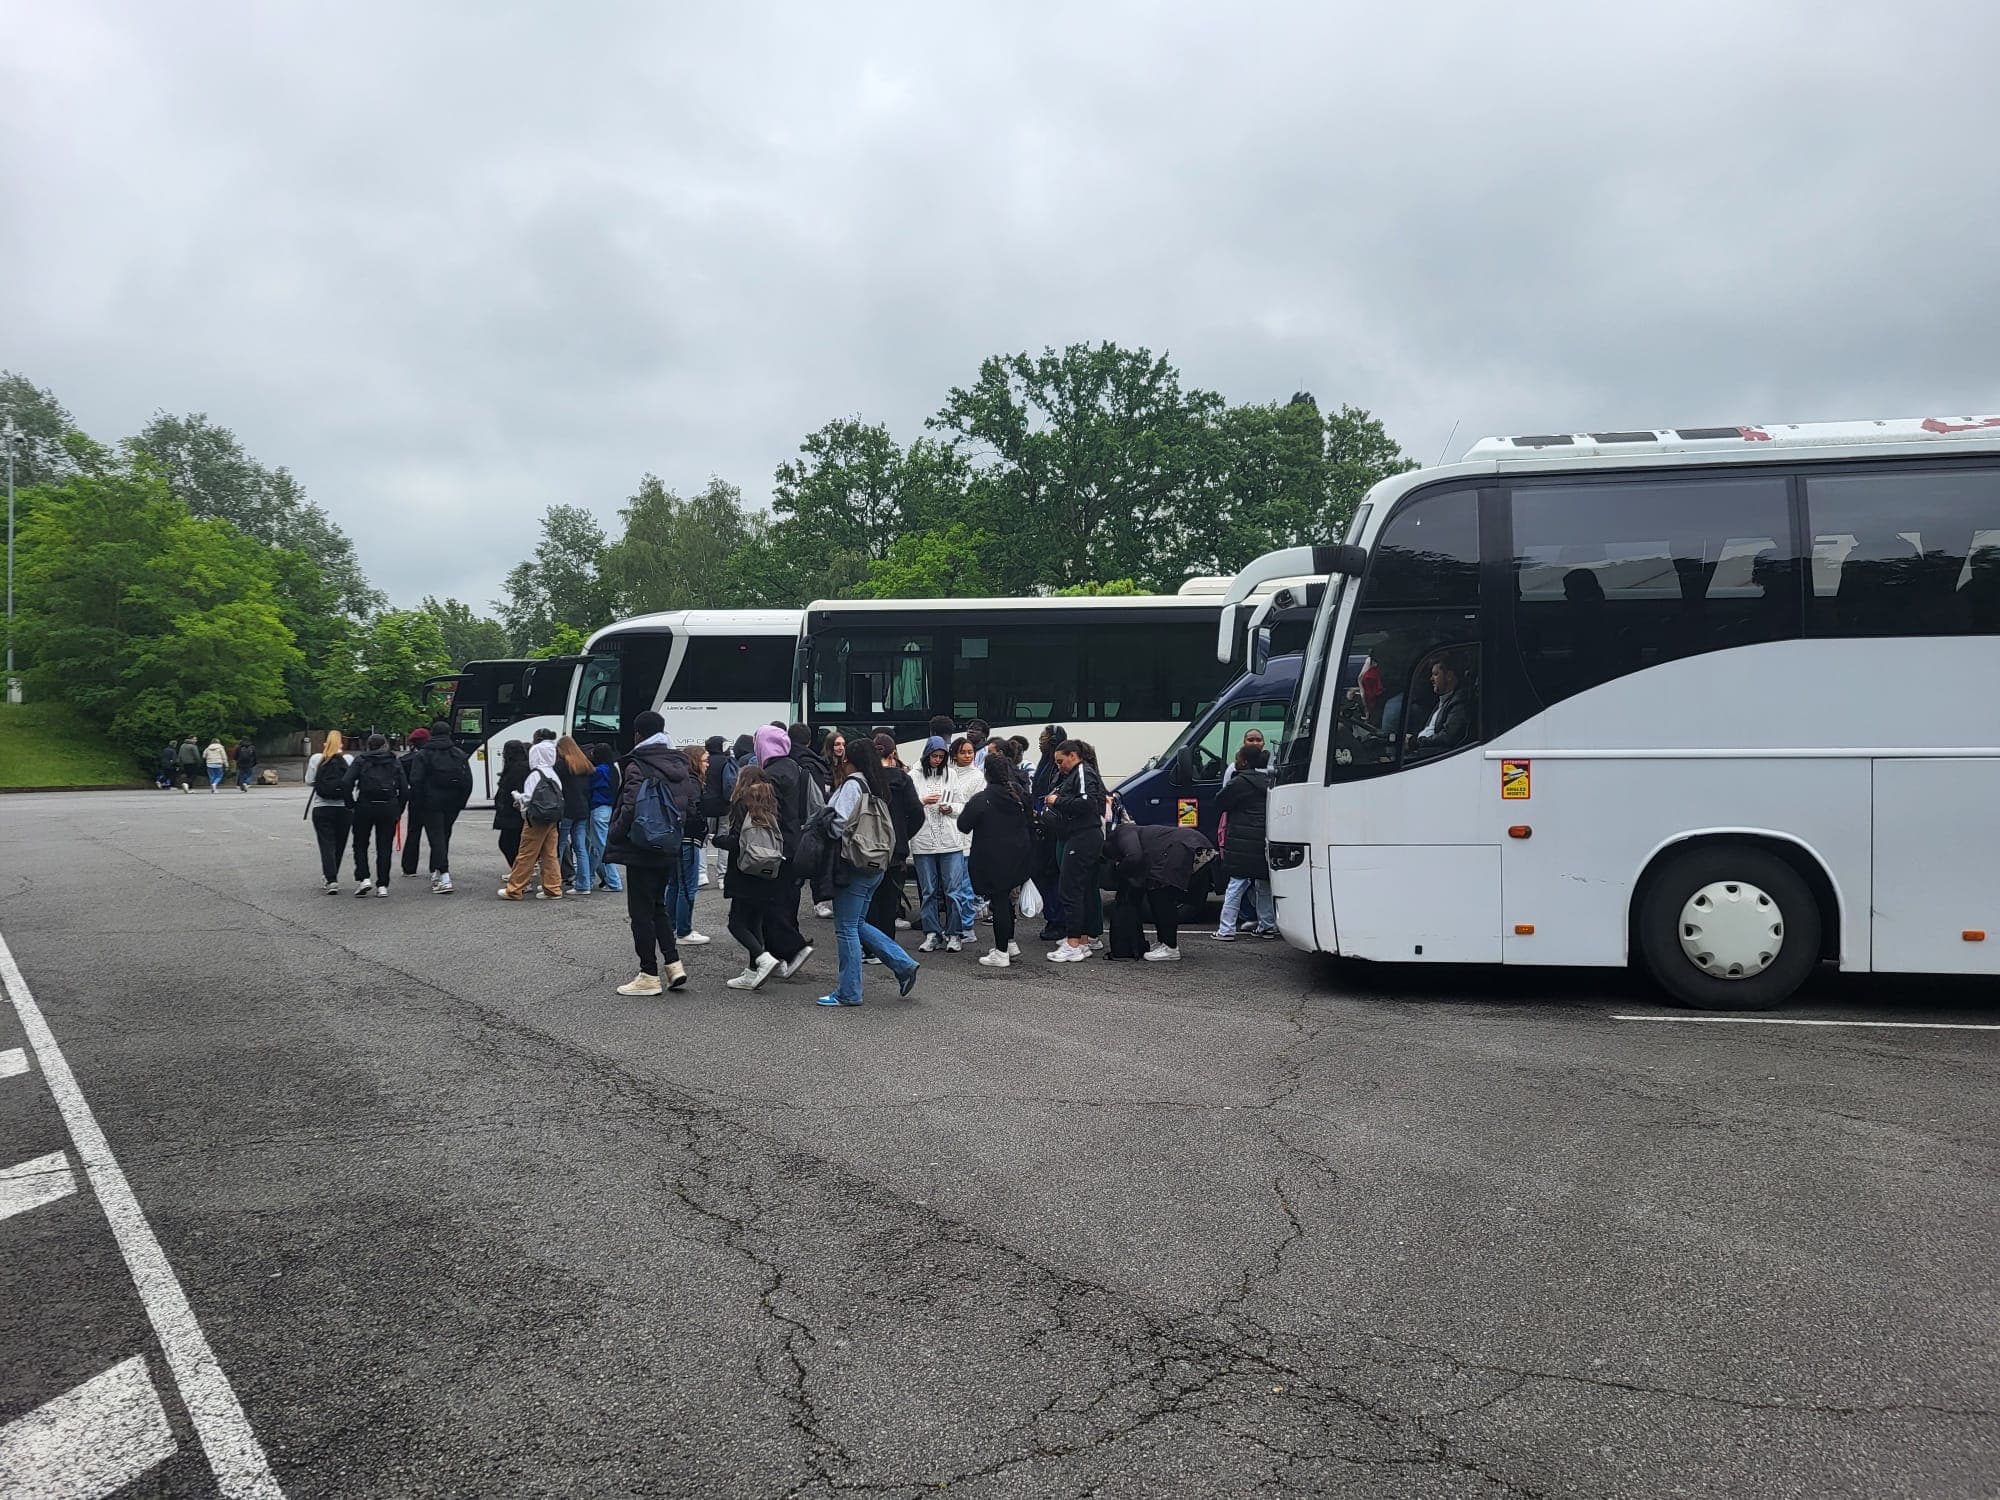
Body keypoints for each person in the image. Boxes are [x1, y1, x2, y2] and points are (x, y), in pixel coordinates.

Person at [814, 735, 919, 1007]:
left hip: (853, 862)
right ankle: (902, 963)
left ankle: (849, 991)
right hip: (876, 862)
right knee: (858, 923)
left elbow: (837, 824)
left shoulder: (853, 785)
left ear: (849, 759)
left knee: (846, 928)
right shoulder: (879, 784)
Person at [602, 710, 698, 995]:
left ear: (638, 734)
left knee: (641, 913)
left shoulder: (638, 765)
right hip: (669, 845)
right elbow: (690, 806)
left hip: (641, 845)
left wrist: (614, 835)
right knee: (658, 907)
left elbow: (630, 808)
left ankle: (648, 974)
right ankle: (673, 964)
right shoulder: (679, 763)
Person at [957, 749, 1036, 967]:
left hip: (993, 858)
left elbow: (963, 825)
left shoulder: (983, 798)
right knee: (1007, 901)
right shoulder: (1018, 794)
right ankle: (1009, 943)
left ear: (987, 773)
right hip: (1020, 854)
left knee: (999, 902)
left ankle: (1001, 952)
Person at [711, 766, 786, 990]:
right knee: (755, 922)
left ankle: (763, 959)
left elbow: (737, 841)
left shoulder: (743, 802)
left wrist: (718, 840)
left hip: (745, 870)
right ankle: (752, 971)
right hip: (768, 867)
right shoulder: (772, 801)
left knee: (737, 923)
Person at [753, 723, 815, 977]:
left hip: (775, 844)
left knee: (771, 902)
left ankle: (793, 947)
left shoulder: (769, 774)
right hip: (796, 841)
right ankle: (783, 956)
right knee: (787, 899)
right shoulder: (797, 768)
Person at [1106, 818, 1217, 962]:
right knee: (1157, 895)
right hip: (1193, 845)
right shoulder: (1132, 831)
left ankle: (1170, 947)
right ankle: (1164, 942)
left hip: (1187, 847)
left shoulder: (1122, 833)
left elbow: (1134, 856)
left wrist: (1120, 869)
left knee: (1162, 897)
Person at [910, 737, 977, 952]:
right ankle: (932, 933)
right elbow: (908, 804)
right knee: (928, 890)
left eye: (941, 756)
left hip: (950, 840)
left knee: (953, 890)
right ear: (927, 754)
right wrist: (922, 801)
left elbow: (962, 804)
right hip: (923, 839)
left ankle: (954, 933)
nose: (937, 760)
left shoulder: (952, 774)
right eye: (934, 756)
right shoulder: (914, 775)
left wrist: (951, 809)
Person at [1045, 739, 1108, 962]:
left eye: (1061, 761)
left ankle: (1073, 943)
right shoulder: (1079, 773)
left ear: (1073, 755)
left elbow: (1088, 803)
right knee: (1081, 889)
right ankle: (1080, 940)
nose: (1059, 766)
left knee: (1070, 890)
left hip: (1082, 836)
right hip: (1083, 836)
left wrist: (1057, 800)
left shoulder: (1083, 773)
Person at [1212, 744, 1276, 939]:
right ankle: (1267, 925)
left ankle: (1226, 929)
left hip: (1241, 839)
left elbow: (1220, 802)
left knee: (1236, 884)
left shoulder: (1240, 782)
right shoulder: (1270, 781)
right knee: (1263, 884)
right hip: (1265, 837)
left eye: (1238, 758)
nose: (1236, 762)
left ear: (1245, 762)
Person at [868, 733, 925, 939]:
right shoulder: (903, 779)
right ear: (894, 753)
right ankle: (886, 946)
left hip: (870, 847)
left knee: (870, 900)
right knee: (890, 901)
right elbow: (917, 812)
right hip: (896, 849)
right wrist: (903, 835)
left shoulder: (866, 778)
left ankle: (869, 948)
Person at [407, 720, 474, 894]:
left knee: (436, 837)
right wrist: (461, 802)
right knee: (445, 834)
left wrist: (420, 802)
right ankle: (437, 871)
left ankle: (444, 875)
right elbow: (467, 781)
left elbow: (416, 781)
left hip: (431, 802)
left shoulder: (423, 754)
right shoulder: (458, 753)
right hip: (453, 801)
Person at [500, 739, 565, 900]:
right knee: (550, 854)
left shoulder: (535, 774)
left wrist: (517, 796)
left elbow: (528, 798)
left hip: (536, 819)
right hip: (552, 818)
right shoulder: (552, 773)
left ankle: (514, 889)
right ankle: (553, 888)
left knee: (526, 853)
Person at [347, 733, 407, 897]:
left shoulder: (361, 760)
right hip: (388, 806)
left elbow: (346, 782)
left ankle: (364, 877)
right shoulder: (394, 761)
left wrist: (350, 803)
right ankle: (382, 885)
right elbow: (404, 787)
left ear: (368, 745)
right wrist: (399, 808)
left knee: (360, 843)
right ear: (385, 745)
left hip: (365, 805)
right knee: (384, 846)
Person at [1028, 723, 1071, 940]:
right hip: (1041, 824)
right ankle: (1053, 917)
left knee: (1049, 874)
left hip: (1051, 828)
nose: (1040, 741)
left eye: (1044, 738)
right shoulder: (1046, 763)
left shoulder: (1056, 767)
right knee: (1042, 873)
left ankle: (1057, 920)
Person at [791, 724, 834, 918]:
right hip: (810, 821)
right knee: (815, 860)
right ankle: (820, 902)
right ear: (809, 741)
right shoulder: (814, 762)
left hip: (790, 821)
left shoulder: (782, 760)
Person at [304, 730, 354, 893]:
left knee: (326, 844)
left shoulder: (317, 759)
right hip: (344, 807)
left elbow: (309, 781)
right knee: (340, 844)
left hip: (322, 807)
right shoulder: (348, 759)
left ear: (326, 742)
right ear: (341, 744)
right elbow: (353, 781)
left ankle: (331, 879)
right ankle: (333, 875)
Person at [676, 744, 712, 943]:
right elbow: (693, 810)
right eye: (705, 760)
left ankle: (674, 926)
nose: (707, 764)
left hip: (678, 837)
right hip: (689, 837)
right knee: (687, 886)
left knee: (674, 884)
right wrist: (702, 828)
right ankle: (684, 930)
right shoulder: (693, 783)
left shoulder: (680, 779)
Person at [554, 734, 596, 896]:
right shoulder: (585, 764)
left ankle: (553, 881)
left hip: (566, 809)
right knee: (580, 847)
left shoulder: (561, 765)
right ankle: (583, 884)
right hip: (583, 809)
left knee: (559, 846)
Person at [1412, 656, 1474, 754]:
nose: (1431, 679)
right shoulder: (1443, 701)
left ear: (1449, 676)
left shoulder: (1459, 703)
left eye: (1436, 674)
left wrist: (1414, 743)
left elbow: (1448, 737)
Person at [699, 734, 738, 886]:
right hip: (723, 807)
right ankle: (722, 876)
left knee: (702, 839)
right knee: (724, 839)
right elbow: (729, 785)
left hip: (704, 805)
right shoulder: (728, 761)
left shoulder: (704, 761)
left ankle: (702, 874)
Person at [586, 743, 623, 894]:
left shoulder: (598, 771)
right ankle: (590, 878)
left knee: (600, 846)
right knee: (596, 846)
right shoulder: (613, 769)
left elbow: (589, 787)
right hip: (610, 808)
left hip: (598, 808)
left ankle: (614, 881)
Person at [397, 727, 432, 878]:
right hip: (433, 798)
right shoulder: (434, 757)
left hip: (415, 798)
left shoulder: (404, 760)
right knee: (436, 834)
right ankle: (437, 866)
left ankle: (409, 867)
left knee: (413, 832)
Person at [492, 739, 529, 871]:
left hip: (514, 813)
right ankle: (520, 874)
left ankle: (521, 875)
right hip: (512, 813)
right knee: (511, 844)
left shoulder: (518, 769)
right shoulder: (521, 767)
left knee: (509, 844)